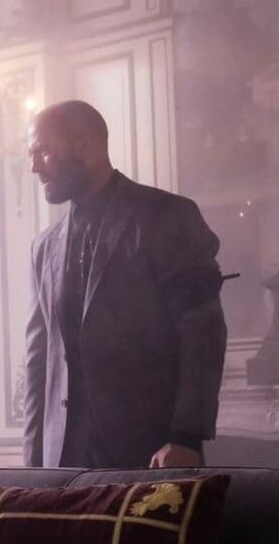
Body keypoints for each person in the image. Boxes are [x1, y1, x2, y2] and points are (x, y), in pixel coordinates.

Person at [23, 100, 227, 469]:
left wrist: (186, 437)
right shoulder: (43, 247)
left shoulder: (165, 215)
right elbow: (39, 362)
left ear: (84, 143)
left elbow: (202, 332)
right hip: (62, 465)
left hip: (152, 455)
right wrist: (32, 469)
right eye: (30, 155)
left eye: (43, 151)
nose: (34, 166)